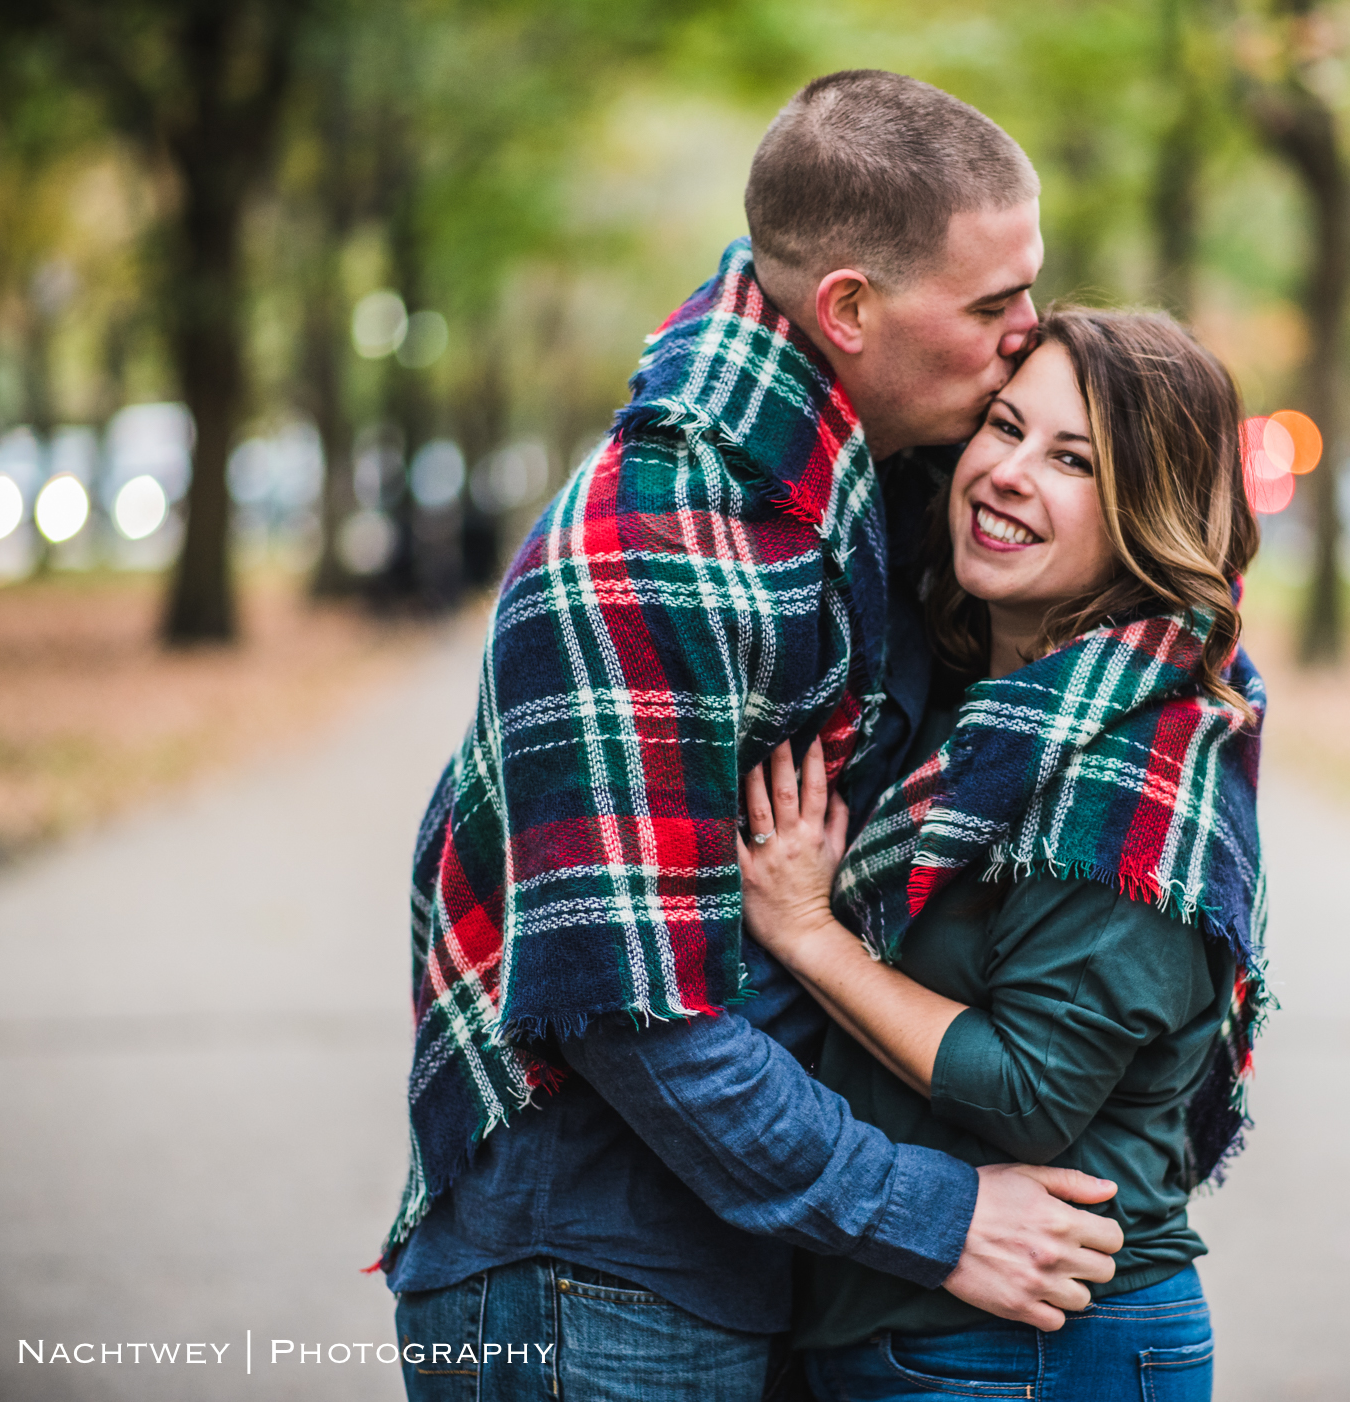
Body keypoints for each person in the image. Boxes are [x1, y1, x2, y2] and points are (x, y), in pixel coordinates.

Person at [382, 72, 1129, 1402]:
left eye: (1034, 291)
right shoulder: (647, 544)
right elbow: (639, 1020)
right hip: (587, 1281)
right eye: (993, 306)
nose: (1029, 335)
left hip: (748, 1251)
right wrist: (943, 1213)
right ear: (848, 309)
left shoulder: (866, 493)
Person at [736, 309, 1274, 1401]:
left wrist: (806, 933)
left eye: (1073, 460)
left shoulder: (1135, 764)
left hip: (1031, 1352)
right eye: (1004, 426)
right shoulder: (983, 715)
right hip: (933, 1332)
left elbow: (1029, 1089)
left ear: (1148, 515)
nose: (1008, 474)